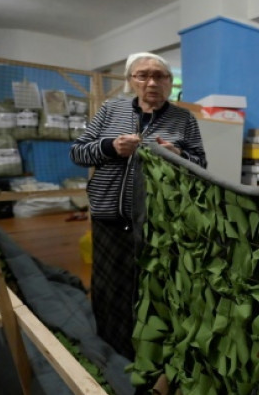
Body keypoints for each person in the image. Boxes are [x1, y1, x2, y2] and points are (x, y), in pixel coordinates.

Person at [70, 52, 206, 359]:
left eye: (160, 76)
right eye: (143, 75)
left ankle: (150, 344)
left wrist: (177, 155)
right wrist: (111, 146)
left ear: (171, 83)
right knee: (109, 285)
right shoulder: (110, 108)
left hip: (159, 220)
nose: (152, 82)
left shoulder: (184, 119)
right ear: (131, 81)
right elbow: (78, 152)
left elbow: (200, 164)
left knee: (151, 282)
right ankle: (110, 346)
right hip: (110, 215)